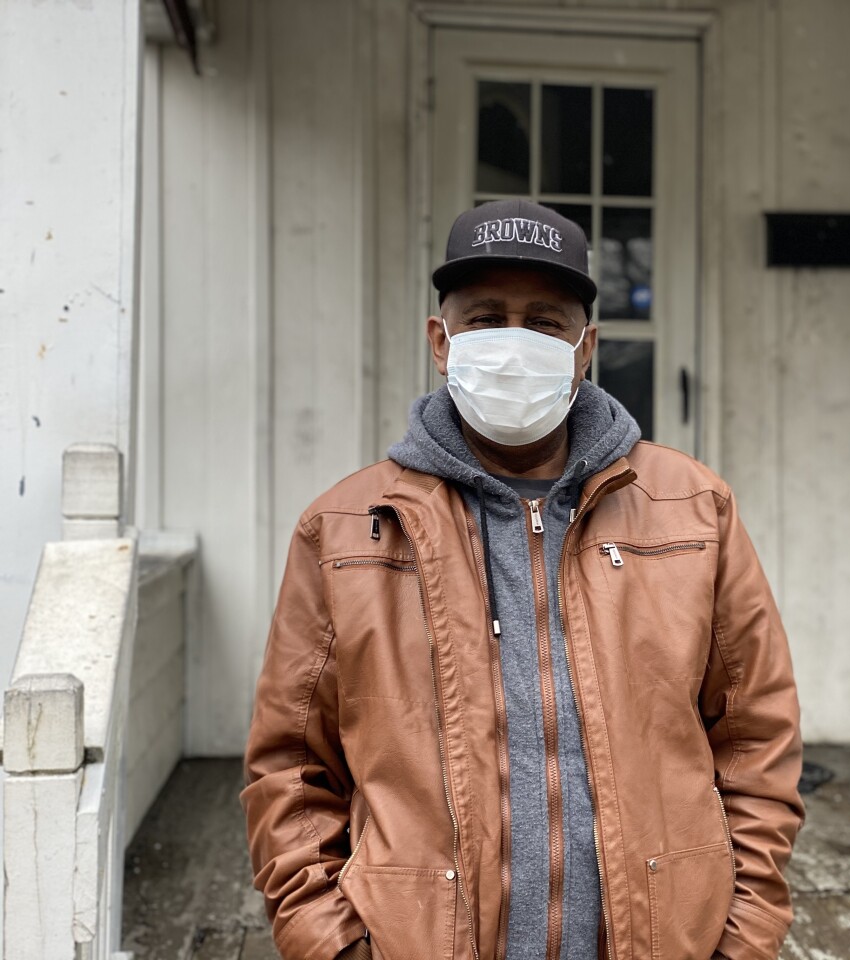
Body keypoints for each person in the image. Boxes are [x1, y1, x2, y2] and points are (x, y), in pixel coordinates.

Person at [241, 200, 804, 960]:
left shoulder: (694, 510)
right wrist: (332, 945)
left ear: (584, 348)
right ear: (440, 342)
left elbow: (755, 738)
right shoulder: (345, 528)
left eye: (543, 322)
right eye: (485, 320)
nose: (513, 345)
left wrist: (743, 937)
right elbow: (290, 770)